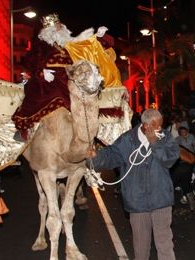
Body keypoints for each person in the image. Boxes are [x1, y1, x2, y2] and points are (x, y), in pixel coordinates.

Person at [12, 14, 121, 140]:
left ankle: (91, 136)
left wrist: (99, 38)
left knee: (87, 98)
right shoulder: (40, 46)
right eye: (57, 29)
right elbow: (30, 61)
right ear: (49, 32)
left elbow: (85, 46)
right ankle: (27, 130)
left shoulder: (68, 46)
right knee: (42, 94)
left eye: (61, 28)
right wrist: (42, 71)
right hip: (47, 82)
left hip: (68, 80)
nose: (60, 31)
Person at [89, 109, 179, 260]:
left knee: (164, 243)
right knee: (141, 245)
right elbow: (112, 155)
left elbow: (170, 159)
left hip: (161, 199)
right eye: (157, 126)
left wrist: (155, 144)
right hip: (137, 201)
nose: (160, 129)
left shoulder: (165, 137)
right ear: (146, 126)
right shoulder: (127, 139)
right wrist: (95, 158)